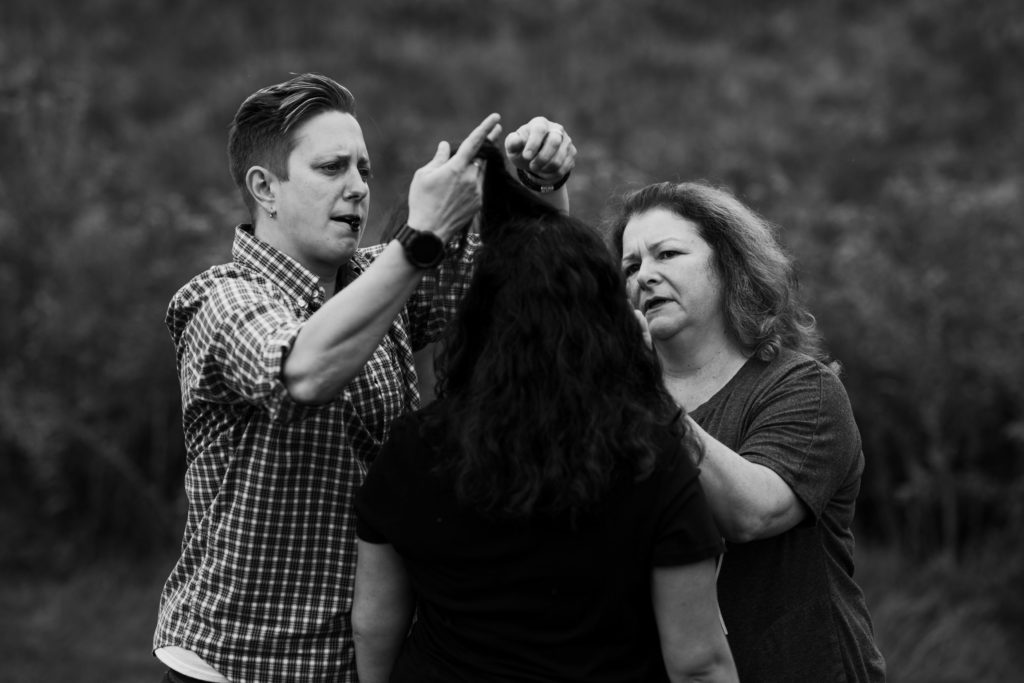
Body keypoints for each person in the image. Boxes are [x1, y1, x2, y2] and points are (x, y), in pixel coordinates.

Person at [153, 72, 577, 683]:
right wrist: (421, 238)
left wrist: (540, 183)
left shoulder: (383, 278)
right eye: (332, 168)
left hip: (362, 660)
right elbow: (302, 372)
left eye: (365, 171)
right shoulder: (217, 300)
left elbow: (537, 283)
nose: (357, 188)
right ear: (264, 188)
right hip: (237, 665)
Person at [351, 144, 738, 683]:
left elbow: (373, 624)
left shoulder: (415, 447)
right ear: (604, 322)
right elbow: (697, 663)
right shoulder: (648, 456)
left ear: (481, 318)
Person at [611, 180, 887, 682]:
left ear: (728, 263)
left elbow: (753, 514)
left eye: (667, 254)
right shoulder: (610, 405)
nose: (644, 276)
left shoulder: (802, 388)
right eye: (630, 266)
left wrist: (645, 391)